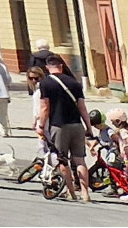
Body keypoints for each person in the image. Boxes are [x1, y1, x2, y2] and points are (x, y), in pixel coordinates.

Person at [34, 54, 89, 202]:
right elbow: (82, 107)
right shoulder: (74, 83)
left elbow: (45, 108)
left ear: (47, 67)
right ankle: (85, 193)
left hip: (59, 125)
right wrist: (88, 127)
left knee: (62, 160)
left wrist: (40, 126)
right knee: (80, 160)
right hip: (77, 124)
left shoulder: (46, 83)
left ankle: (71, 191)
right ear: (62, 66)